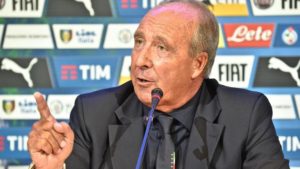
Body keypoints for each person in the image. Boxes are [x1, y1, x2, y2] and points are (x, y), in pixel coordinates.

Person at [27, 0, 290, 169]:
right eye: (139, 42)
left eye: (161, 48)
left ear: (198, 64)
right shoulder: (93, 113)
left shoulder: (245, 115)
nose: (141, 60)